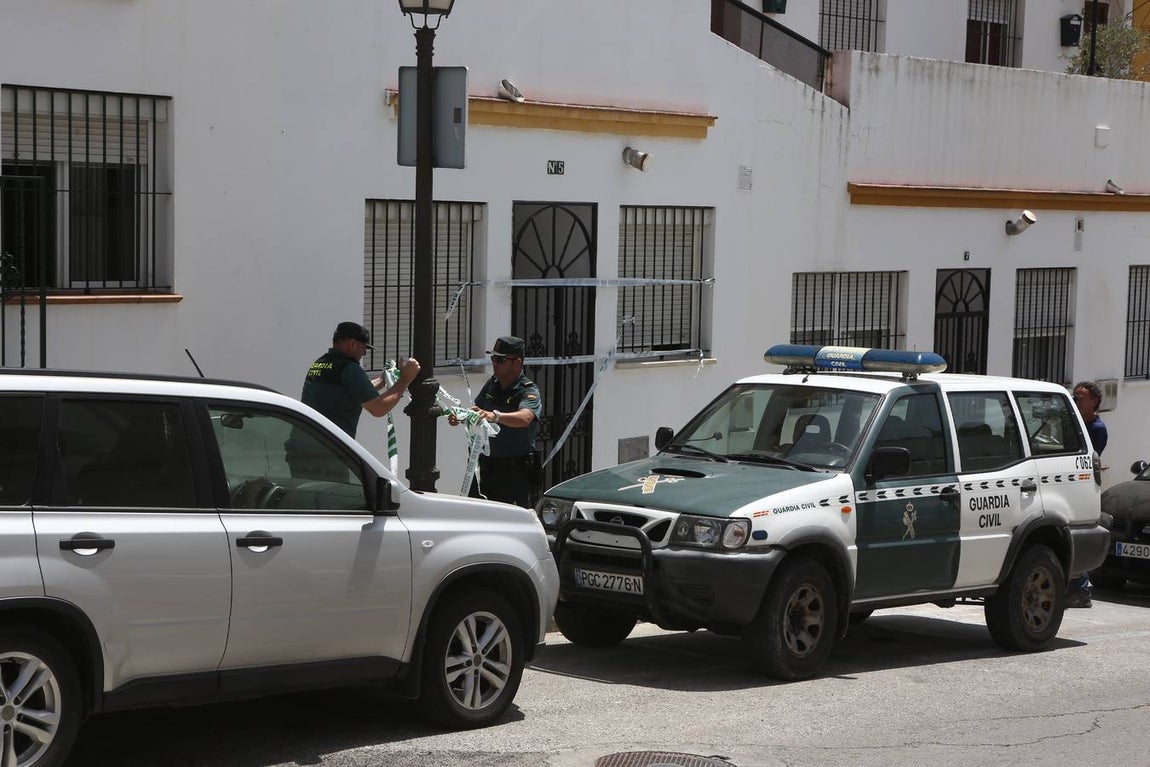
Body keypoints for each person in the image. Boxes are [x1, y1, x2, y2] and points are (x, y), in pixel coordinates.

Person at [448, 336, 543, 508]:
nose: (494, 364)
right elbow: (478, 412)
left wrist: (495, 416)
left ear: (517, 363)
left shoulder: (527, 390)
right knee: (473, 516)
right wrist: (462, 417)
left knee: (510, 521)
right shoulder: (492, 384)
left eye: (500, 360)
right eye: (493, 358)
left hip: (513, 474)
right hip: (485, 470)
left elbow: (525, 418)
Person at [1068, 380, 1108, 608]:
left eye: (1081, 397)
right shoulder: (1073, 423)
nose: (1077, 400)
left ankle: (1081, 590)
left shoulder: (1097, 429)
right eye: (1075, 396)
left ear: (1094, 401)